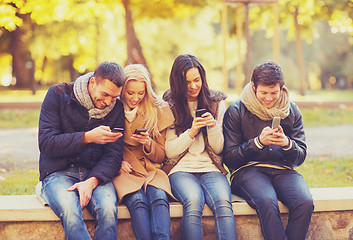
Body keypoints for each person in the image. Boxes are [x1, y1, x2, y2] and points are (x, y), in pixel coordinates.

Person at [223, 61, 314, 240]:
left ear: (282, 88)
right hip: (248, 171)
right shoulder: (236, 110)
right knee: (266, 201)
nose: (269, 98)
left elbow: (300, 156)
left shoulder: (291, 110)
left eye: (274, 93)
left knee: (305, 202)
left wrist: (288, 144)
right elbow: (229, 158)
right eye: (264, 93)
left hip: (283, 170)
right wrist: (257, 143)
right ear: (254, 86)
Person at [39, 62, 125, 240]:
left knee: (108, 211)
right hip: (58, 173)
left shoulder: (116, 108)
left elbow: (114, 156)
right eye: (105, 94)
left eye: (114, 97)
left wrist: (92, 181)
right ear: (93, 82)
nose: (108, 102)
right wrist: (87, 137)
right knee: (71, 212)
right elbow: (46, 143)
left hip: (95, 174)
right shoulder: (58, 94)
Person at [162, 54, 237, 240]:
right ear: (178, 83)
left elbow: (218, 149)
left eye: (197, 80)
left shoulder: (216, 102)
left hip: (211, 168)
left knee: (223, 202)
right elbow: (169, 150)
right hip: (180, 169)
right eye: (187, 82)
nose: (193, 86)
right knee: (193, 201)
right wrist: (192, 131)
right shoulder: (169, 104)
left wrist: (211, 127)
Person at [112, 64, 174, 240]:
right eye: (130, 93)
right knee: (137, 201)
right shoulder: (112, 108)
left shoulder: (157, 110)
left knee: (159, 198)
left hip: (151, 169)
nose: (135, 98)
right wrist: (117, 163)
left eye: (141, 93)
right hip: (125, 170)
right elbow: (103, 148)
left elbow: (161, 155)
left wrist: (148, 143)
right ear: (122, 90)